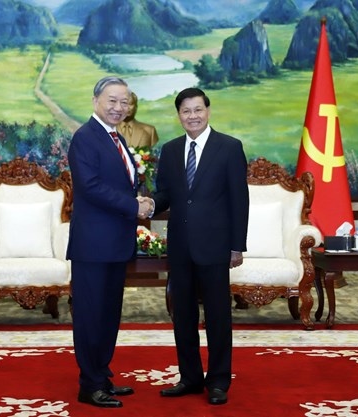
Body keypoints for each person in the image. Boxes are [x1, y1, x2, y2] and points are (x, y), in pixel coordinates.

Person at [148, 87, 249, 406]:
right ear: (179, 116)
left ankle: (218, 381)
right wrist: (149, 203)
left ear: (208, 110)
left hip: (216, 247)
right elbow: (165, 194)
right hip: (180, 246)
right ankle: (190, 378)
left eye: (197, 109)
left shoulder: (230, 148)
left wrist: (237, 245)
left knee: (218, 316)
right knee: (184, 316)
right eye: (185, 111)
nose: (192, 116)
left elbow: (239, 200)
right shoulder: (171, 149)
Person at [66, 76, 153, 408]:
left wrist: (139, 201)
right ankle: (89, 386)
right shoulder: (85, 138)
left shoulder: (114, 138)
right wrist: (135, 206)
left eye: (124, 102)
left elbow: (122, 183)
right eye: (112, 100)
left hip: (116, 244)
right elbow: (90, 187)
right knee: (90, 314)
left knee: (108, 313)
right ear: (96, 102)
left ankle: (101, 376)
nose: (119, 107)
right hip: (93, 246)